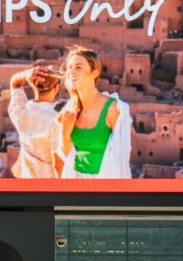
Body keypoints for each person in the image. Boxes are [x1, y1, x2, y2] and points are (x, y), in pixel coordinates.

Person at [56, 45, 134, 180]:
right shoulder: (70, 109)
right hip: (75, 185)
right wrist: (64, 132)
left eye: (78, 67)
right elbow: (67, 156)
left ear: (94, 73)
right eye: (69, 67)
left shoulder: (113, 109)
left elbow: (122, 159)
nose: (71, 72)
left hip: (105, 188)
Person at [6, 63, 64, 179]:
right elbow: (58, 164)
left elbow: (15, 83)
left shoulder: (19, 113)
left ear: (32, 85)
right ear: (56, 88)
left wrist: (26, 74)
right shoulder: (56, 122)